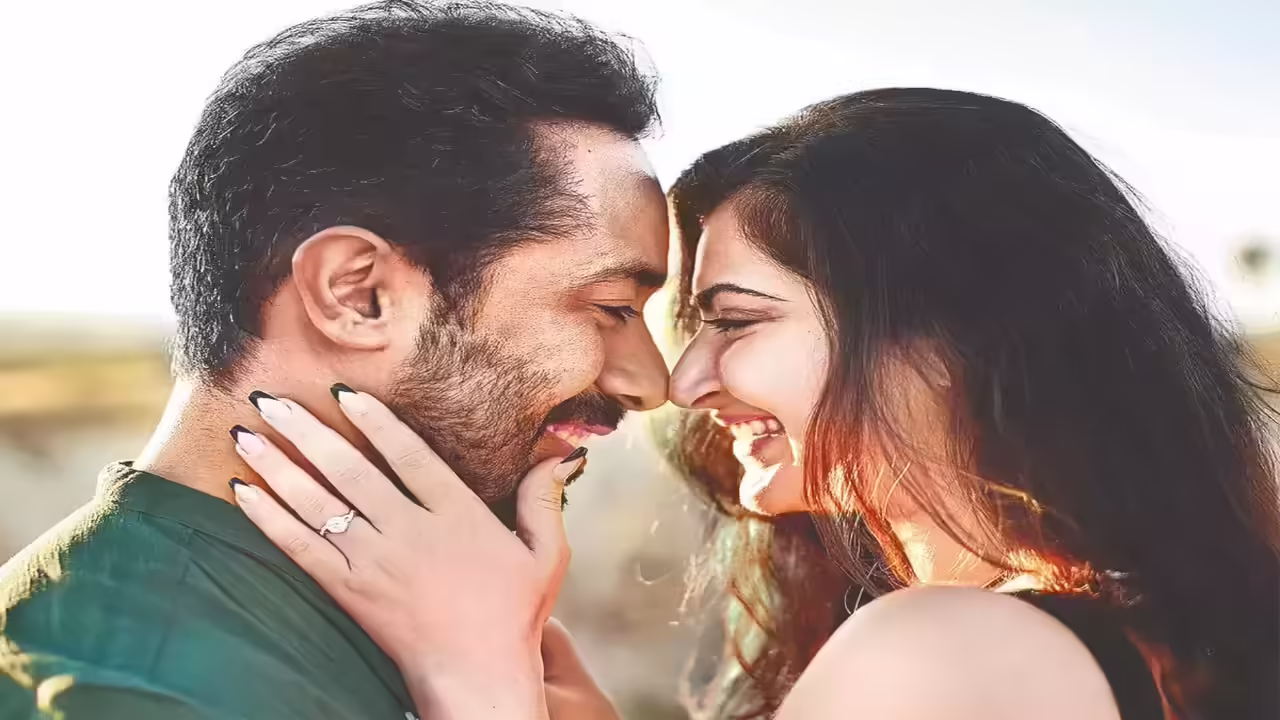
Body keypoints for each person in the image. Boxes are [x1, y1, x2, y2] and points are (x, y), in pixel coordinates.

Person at [232, 89, 1280, 720]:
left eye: (733, 321)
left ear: (950, 341)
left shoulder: (950, 651)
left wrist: (476, 682)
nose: (682, 383)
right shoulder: (1131, 633)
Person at [0, 1, 670, 717]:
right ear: (356, 293)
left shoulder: (476, 634)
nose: (652, 384)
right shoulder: (128, 690)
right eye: (611, 308)